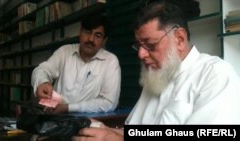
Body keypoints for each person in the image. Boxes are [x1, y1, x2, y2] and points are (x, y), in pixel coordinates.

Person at [73, 1, 240, 141]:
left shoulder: (216, 75)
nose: (140, 54)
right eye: (138, 45)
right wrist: (104, 131)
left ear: (179, 39)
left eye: (150, 45)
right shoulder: (157, 76)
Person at [31, 14, 121, 114]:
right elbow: (42, 69)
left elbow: (108, 103)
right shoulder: (64, 52)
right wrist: (43, 82)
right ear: (80, 32)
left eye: (98, 35)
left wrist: (67, 108)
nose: (91, 39)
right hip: (55, 117)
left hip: (88, 122)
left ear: (104, 41)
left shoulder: (110, 61)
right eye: (87, 32)